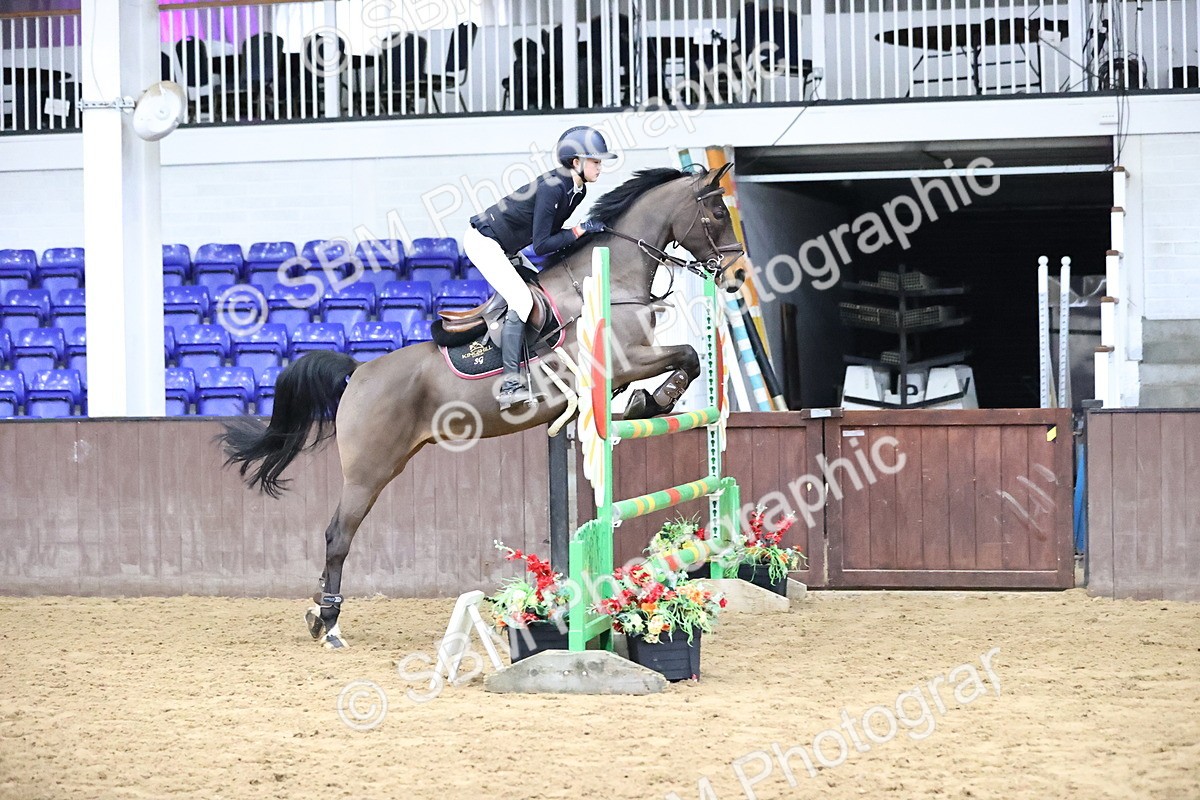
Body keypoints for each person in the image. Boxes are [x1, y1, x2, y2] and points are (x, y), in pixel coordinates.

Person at [463, 125, 617, 409]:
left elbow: (552, 236)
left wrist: (584, 234)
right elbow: (543, 244)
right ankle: (510, 386)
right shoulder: (552, 187)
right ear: (576, 162)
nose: (600, 167)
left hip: (507, 248)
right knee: (521, 301)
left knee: (542, 295)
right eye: (596, 161)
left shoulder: (576, 191)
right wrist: (580, 230)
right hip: (484, 243)